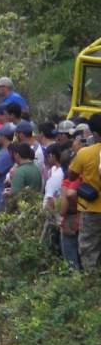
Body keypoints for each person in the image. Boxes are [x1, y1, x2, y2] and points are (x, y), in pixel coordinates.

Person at [68, 113, 101, 268]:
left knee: (89, 250)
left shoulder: (85, 153)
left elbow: (72, 176)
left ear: (94, 133)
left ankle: (91, 286)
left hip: (92, 210)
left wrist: (76, 151)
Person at [60, 149, 81, 270]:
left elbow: (63, 209)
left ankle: (75, 286)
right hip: (86, 220)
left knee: (71, 264)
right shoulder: (86, 178)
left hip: (70, 223)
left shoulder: (67, 182)